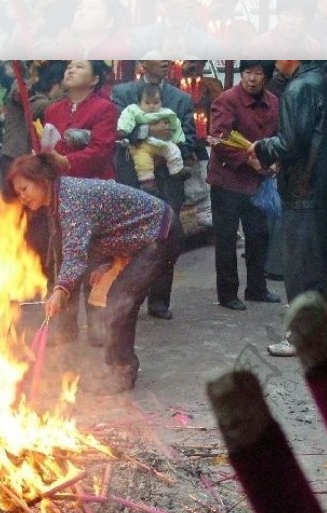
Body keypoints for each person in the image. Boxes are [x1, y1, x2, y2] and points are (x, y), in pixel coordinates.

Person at [9, 153, 181, 395]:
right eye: (18, 192)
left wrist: (60, 290)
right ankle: (115, 366)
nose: (22, 196)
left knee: (120, 299)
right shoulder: (59, 199)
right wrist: (108, 264)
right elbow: (103, 230)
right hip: (140, 238)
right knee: (112, 298)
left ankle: (122, 371)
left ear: (42, 180)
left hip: (161, 233)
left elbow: (75, 252)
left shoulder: (70, 199)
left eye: (24, 188)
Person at [248, 60, 327, 357]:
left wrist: (262, 147)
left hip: (305, 189)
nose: (275, 62)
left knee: (302, 269)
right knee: (313, 267)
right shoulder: (322, 82)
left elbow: (290, 142)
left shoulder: (299, 88)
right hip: (319, 187)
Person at [111, 57, 196, 320]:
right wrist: (148, 132)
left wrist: (167, 149)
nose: (165, 65)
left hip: (169, 180)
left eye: (167, 61)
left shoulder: (181, 99)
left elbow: (190, 139)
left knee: (166, 238)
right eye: (159, 60)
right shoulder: (123, 93)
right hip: (133, 178)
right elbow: (116, 134)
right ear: (143, 63)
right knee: (128, 239)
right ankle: (126, 299)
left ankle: (159, 301)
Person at [206, 59, 279, 313]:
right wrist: (250, 161)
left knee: (259, 235)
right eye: (247, 72)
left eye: (258, 73)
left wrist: (273, 163)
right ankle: (227, 294)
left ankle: (256, 289)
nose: (252, 78)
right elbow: (219, 139)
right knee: (226, 239)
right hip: (228, 180)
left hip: (258, 183)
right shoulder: (227, 99)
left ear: (266, 77)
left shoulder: (273, 102)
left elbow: (279, 137)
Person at [42, 59, 118, 180]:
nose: (71, 70)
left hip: (93, 183)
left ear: (94, 80)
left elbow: (101, 150)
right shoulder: (52, 110)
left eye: (79, 67)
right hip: (56, 180)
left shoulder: (105, 108)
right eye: (69, 67)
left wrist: (65, 161)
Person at [117, 82, 186, 192]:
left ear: (161, 102)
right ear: (140, 102)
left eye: (156, 102)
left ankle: (177, 171)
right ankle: (148, 183)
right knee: (142, 161)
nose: (152, 106)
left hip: (163, 143)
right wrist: (124, 129)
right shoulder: (134, 110)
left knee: (173, 150)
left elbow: (176, 125)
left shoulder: (167, 112)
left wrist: (178, 140)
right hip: (142, 145)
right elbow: (126, 119)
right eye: (147, 103)